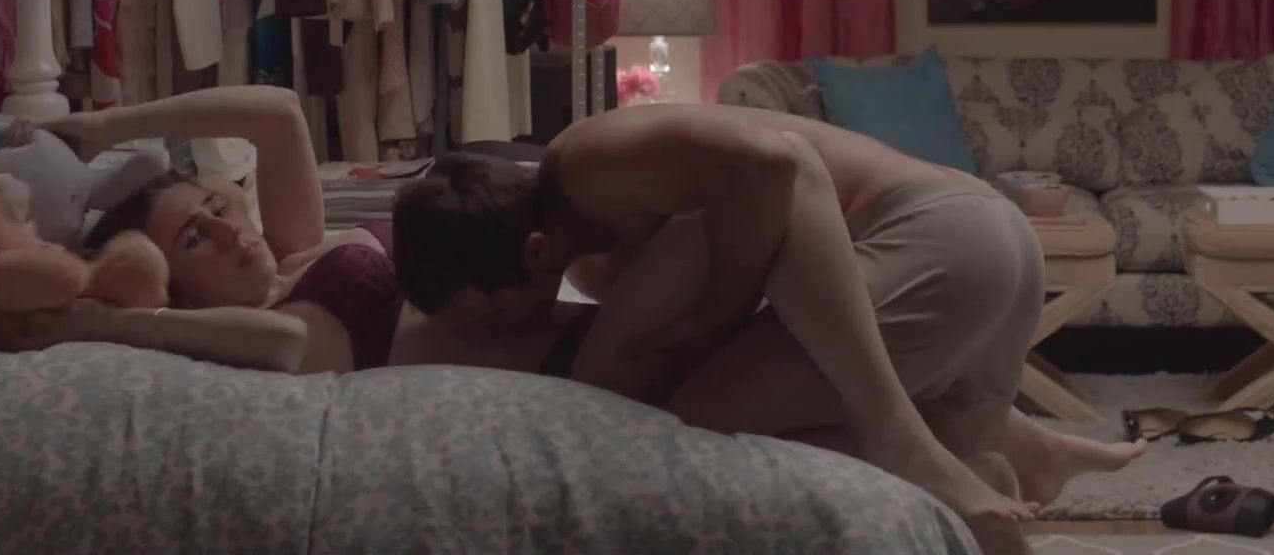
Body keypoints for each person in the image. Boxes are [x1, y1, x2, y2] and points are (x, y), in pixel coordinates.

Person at [393, 104, 1147, 552]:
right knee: (763, 394)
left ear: (531, 253)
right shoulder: (600, 244)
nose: (504, 330)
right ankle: (1008, 451)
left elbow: (773, 166)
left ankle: (928, 460)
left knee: (690, 429)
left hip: (936, 246)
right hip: (988, 241)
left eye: (495, 313)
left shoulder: (585, 165)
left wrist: (716, 315)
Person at [26, 86, 598, 379]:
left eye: (216, 210)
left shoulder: (293, 255)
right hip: (579, 356)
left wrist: (108, 125)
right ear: (178, 293)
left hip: (575, 304)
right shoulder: (266, 325)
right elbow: (284, 343)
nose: (227, 232)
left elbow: (279, 112)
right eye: (193, 239)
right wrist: (114, 322)